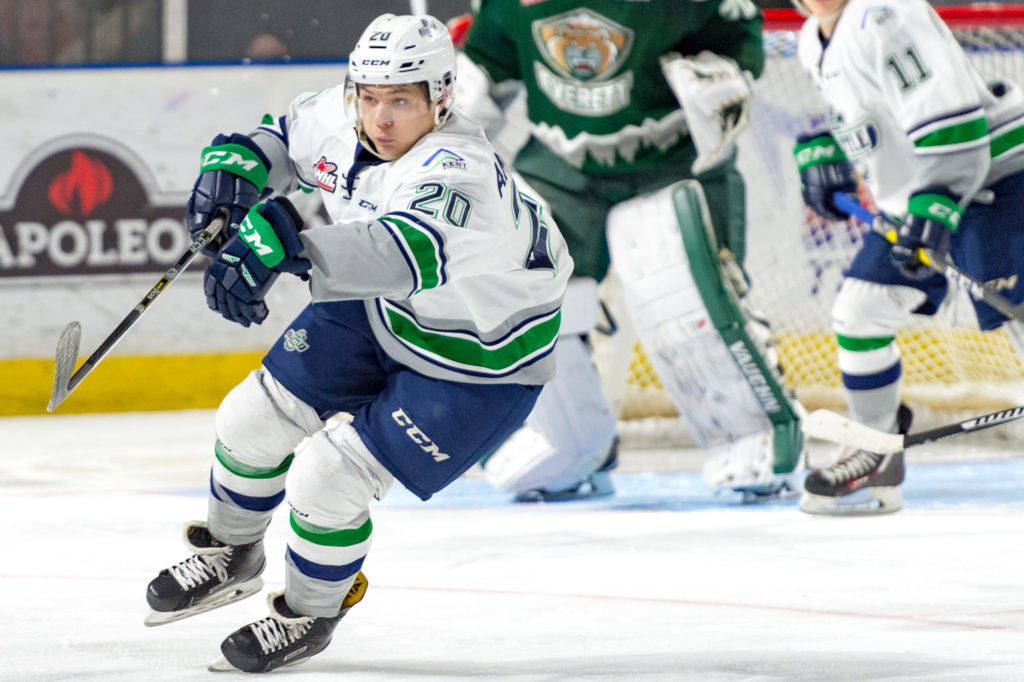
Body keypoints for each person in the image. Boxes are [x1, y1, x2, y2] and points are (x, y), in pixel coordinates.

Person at [144, 13, 571, 673]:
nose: (380, 117)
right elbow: (283, 139)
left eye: (400, 100)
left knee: (328, 477)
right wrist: (236, 168)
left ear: (442, 97)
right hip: (387, 314)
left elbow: (397, 253)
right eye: (369, 96)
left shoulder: (460, 171)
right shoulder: (349, 117)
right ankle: (233, 553)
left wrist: (280, 246)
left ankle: (312, 613)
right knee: (248, 420)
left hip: (480, 362)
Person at [454, 0, 805, 502]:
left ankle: (756, 434)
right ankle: (571, 443)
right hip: (562, 163)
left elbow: (737, 37)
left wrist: (723, 74)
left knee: (689, 295)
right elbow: (488, 67)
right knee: (517, 289)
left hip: (674, 156)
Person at [792, 0, 1024, 514]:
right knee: (861, 310)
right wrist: (830, 148)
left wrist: (934, 207)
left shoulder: (885, 13)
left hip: (997, 178)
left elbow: (954, 124)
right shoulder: (814, 38)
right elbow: (878, 116)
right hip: (922, 197)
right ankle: (875, 450)